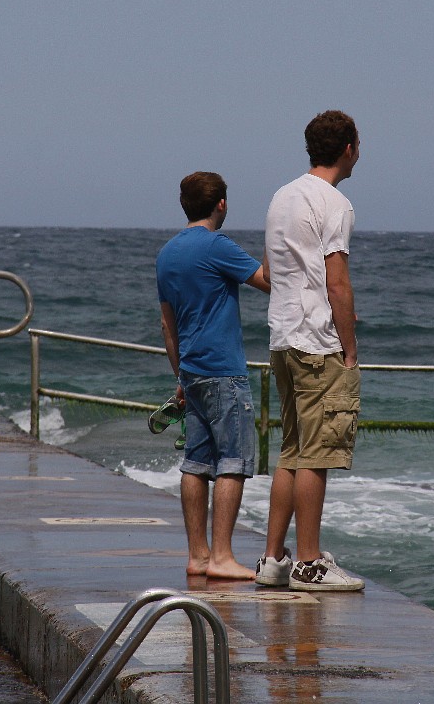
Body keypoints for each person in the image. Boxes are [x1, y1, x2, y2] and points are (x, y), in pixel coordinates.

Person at [256, 110, 365, 592]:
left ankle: (273, 559)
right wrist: (350, 347)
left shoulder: (282, 196)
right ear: (348, 148)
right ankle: (309, 563)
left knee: (292, 450)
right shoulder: (335, 202)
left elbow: (272, 270)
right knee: (317, 454)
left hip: (282, 336)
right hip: (317, 340)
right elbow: (337, 282)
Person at [156, 171, 270, 579]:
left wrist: (181, 377)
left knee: (195, 463)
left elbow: (168, 326)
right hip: (224, 372)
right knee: (233, 462)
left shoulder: (167, 254)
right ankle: (222, 556)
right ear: (220, 204)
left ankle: (198, 555)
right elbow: (267, 281)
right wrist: (277, 240)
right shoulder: (217, 246)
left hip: (191, 371)